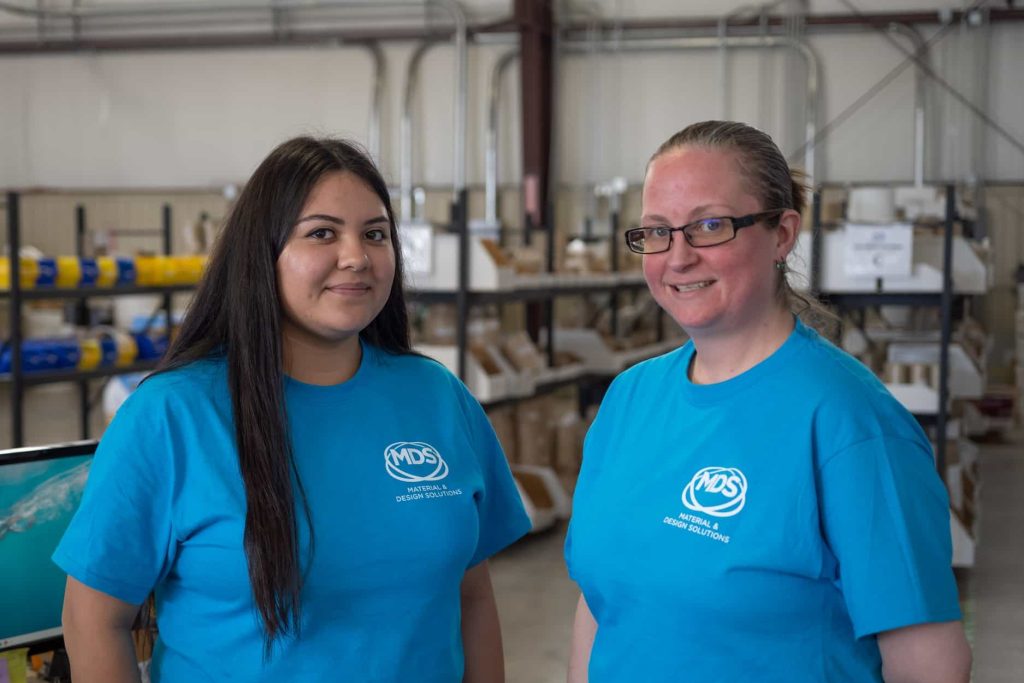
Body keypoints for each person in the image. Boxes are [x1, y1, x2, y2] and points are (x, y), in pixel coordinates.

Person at [53, 136, 531, 682]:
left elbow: (472, 599)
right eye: (322, 233)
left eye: (375, 234)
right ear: (263, 252)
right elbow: (93, 619)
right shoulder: (172, 415)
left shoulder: (439, 398)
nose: (356, 256)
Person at [565, 120, 971, 683]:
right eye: (657, 232)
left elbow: (929, 667)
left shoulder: (852, 424)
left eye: (709, 226)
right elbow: (600, 604)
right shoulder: (628, 400)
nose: (677, 257)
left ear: (782, 234)